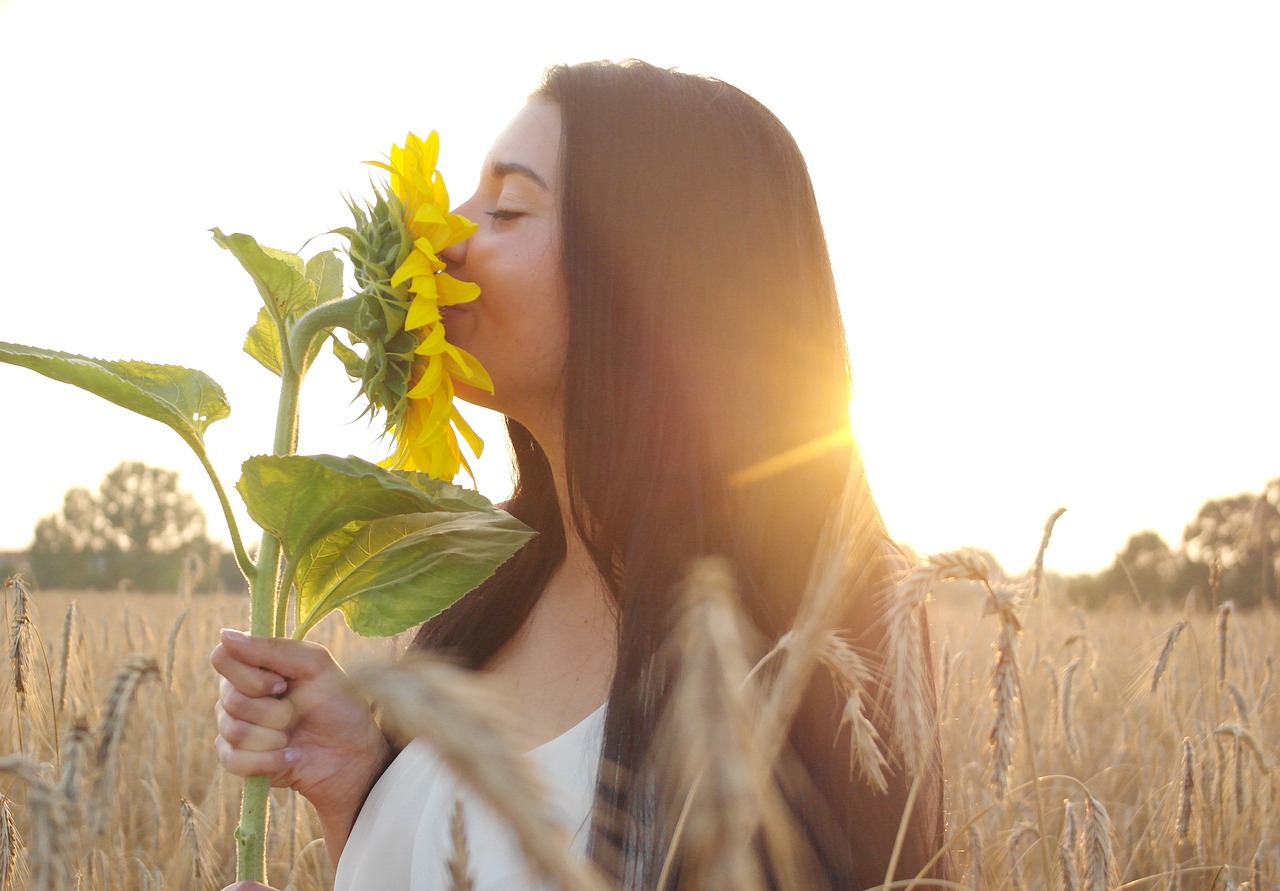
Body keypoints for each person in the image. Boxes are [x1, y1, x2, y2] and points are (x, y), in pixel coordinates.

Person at [214, 59, 949, 890]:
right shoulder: (487, 583)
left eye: (507, 207)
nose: (443, 236)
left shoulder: (791, 653)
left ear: (649, 274)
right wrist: (361, 786)